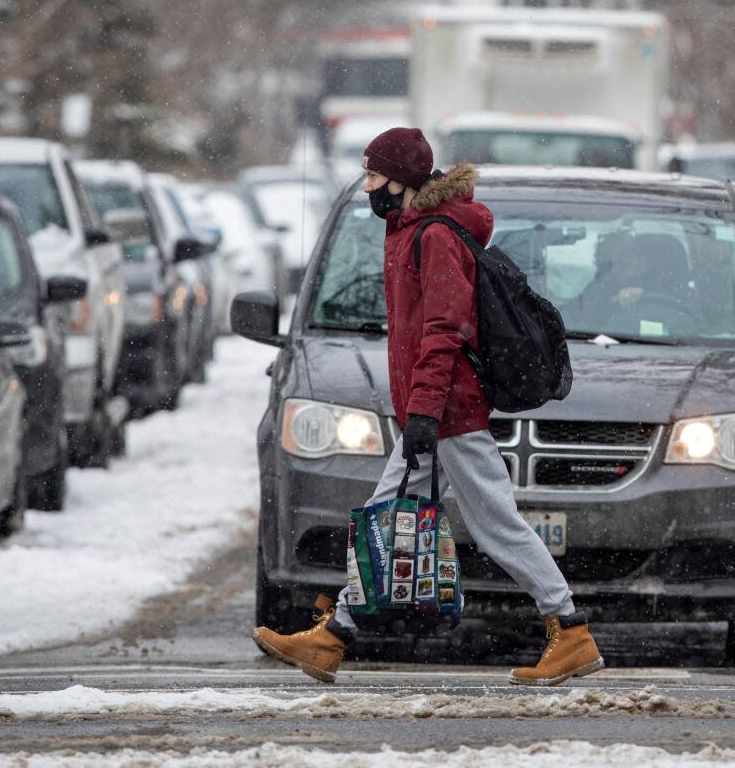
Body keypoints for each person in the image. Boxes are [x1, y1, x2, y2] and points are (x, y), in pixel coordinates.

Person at [252, 127, 603, 686]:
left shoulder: (435, 236)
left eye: (374, 176)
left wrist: (423, 413)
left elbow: (443, 330)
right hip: (437, 411)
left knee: (493, 525)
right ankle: (333, 636)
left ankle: (570, 627)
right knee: (386, 514)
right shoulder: (408, 229)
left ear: (404, 179)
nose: (368, 188)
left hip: (449, 413)